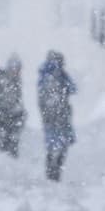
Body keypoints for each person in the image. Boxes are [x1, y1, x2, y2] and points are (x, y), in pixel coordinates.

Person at [37, 51, 77, 181]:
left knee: (53, 146)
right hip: (58, 117)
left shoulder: (46, 77)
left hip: (52, 118)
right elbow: (73, 88)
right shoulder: (55, 77)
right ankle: (54, 174)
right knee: (59, 146)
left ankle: (52, 174)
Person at [0, 55, 26, 157]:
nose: (16, 71)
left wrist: (20, 113)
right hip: (3, 117)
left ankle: (10, 166)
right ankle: (2, 165)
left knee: (13, 143)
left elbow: (17, 99)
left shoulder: (17, 81)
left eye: (18, 68)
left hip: (13, 117)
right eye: (14, 67)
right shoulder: (2, 80)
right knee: (5, 142)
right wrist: (3, 107)